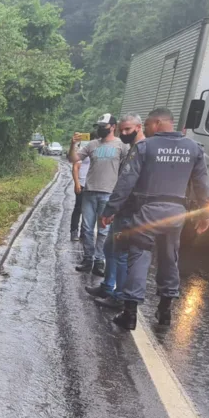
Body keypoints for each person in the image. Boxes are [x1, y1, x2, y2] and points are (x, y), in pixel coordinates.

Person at [100, 107, 209, 330]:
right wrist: (205, 213)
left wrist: (110, 209)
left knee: (139, 258)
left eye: (149, 125)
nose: (147, 129)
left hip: (148, 212)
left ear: (158, 123)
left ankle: (130, 314)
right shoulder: (193, 148)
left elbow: (126, 182)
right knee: (170, 259)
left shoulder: (145, 147)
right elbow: (202, 184)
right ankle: (165, 311)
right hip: (177, 214)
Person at [86, 113, 145, 308]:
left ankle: (120, 296)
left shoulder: (141, 149)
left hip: (128, 210)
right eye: (123, 130)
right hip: (119, 208)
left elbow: (127, 183)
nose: (125, 133)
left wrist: (110, 208)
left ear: (140, 127)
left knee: (120, 254)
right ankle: (108, 287)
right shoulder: (132, 149)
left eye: (128, 129)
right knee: (109, 248)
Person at [69, 114, 129, 276]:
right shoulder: (92, 144)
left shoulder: (121, 145)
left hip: (109, 193)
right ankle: (88, 259)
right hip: (89, 191)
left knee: (103, 230)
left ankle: (99, 261)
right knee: (87, 228)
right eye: (99, 126)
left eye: (104, 126)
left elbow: (127, 167)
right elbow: (74, 159)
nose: (101, 129)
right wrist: (72, 144)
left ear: (113, 126)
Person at [70, 141, 90, 241]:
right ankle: (74, 231)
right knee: (78, 209)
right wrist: (77, 183)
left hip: (92, 185)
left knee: (89, 211)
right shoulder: (83, 150)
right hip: (82, 184)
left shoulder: (97, 150)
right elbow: (75, 167)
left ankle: (84, 231)